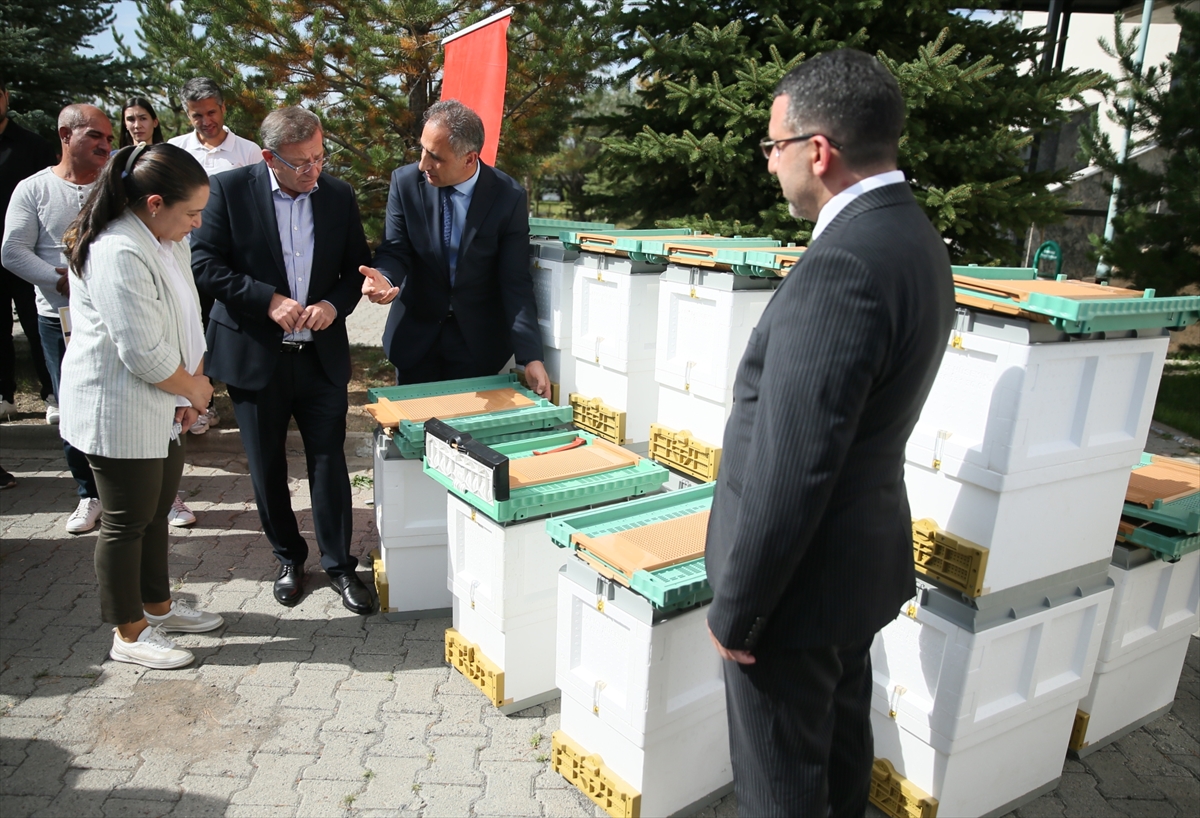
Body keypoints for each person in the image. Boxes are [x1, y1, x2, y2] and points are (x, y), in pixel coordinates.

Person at [703, 50, 955, 817]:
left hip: (794, 596)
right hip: (853, 572)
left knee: (782, 790)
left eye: (773, 145)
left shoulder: (842, 263)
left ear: (818, 151)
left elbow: (795, 466)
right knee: (841, 758)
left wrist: (740, 612)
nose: (769, 163)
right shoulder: (914, 236)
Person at [191, 106, 374, 615]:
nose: (314, 170)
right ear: (270, 158)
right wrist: (266, 299)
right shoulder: (227, 190)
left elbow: (354, 269)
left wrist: (333, 305)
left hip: (320, 358)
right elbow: (204, 264)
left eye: (319, 156)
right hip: (255, 355)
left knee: (329, 462)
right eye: (301, 163)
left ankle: (340, 565)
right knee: (267, 464)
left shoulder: (337, 194)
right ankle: (289, 559)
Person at [59, 142, 222, 669]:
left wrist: (191, 384)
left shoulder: (165, 240)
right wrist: (193, 390)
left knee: (155, 514)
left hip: (166, 400)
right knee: (126, 522)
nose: (197, 223)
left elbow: (187, 317)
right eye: (191, 212)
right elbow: (142, 352)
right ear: (154, 203)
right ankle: (128, 634)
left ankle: (158, 608)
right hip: (120, 409)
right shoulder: (118, 250)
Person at [361, 100, 549, 397]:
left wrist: (530, 356)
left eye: (435, 157)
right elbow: (396, 249)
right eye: (422, 150)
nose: (423, 164)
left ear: (469, 158)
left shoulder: (507, 197)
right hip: (416, 339)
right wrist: (384, 278)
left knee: (464, 428)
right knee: (416, 424)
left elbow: (515, 281)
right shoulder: (405, 183)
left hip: (476, 345)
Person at [2, 104, 112, 533]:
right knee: (74, 407)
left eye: (108, 138)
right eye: (95, 136)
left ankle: (158, 490)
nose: (105, 144)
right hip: (58, 318)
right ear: (66, 135)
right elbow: (12, 251)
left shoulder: (118, 185)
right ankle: (89, 494)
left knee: (133, 399)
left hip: (116, 313)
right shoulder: (33, 189)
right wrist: (59, 279)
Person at [168, 76, 263, 435]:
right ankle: (197, 404)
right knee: (189, 330)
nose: (206, 121)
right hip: (182, 257)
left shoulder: (248, 151)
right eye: (197, 115)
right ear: (187, 115)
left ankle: (230, 394)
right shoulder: (175, 150)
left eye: (211, 112)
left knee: (221, 328)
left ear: (224, 108)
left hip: (229, 263)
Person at [0, 79, 56, 421]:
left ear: (5, 97)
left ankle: (52, 392)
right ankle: (4, 395)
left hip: (27, 256)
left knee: (37, 326)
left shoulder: (33, 146)